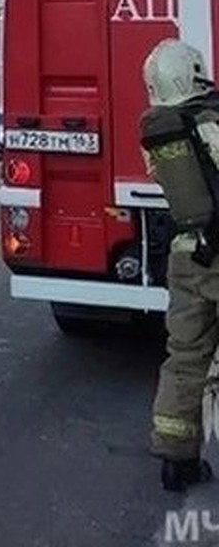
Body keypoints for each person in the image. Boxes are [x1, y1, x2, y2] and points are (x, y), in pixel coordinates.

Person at [140, 38, 219, 491]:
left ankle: (176, 459)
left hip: (186, 257)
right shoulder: (209, 120)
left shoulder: (157, 130)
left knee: (185, 358)